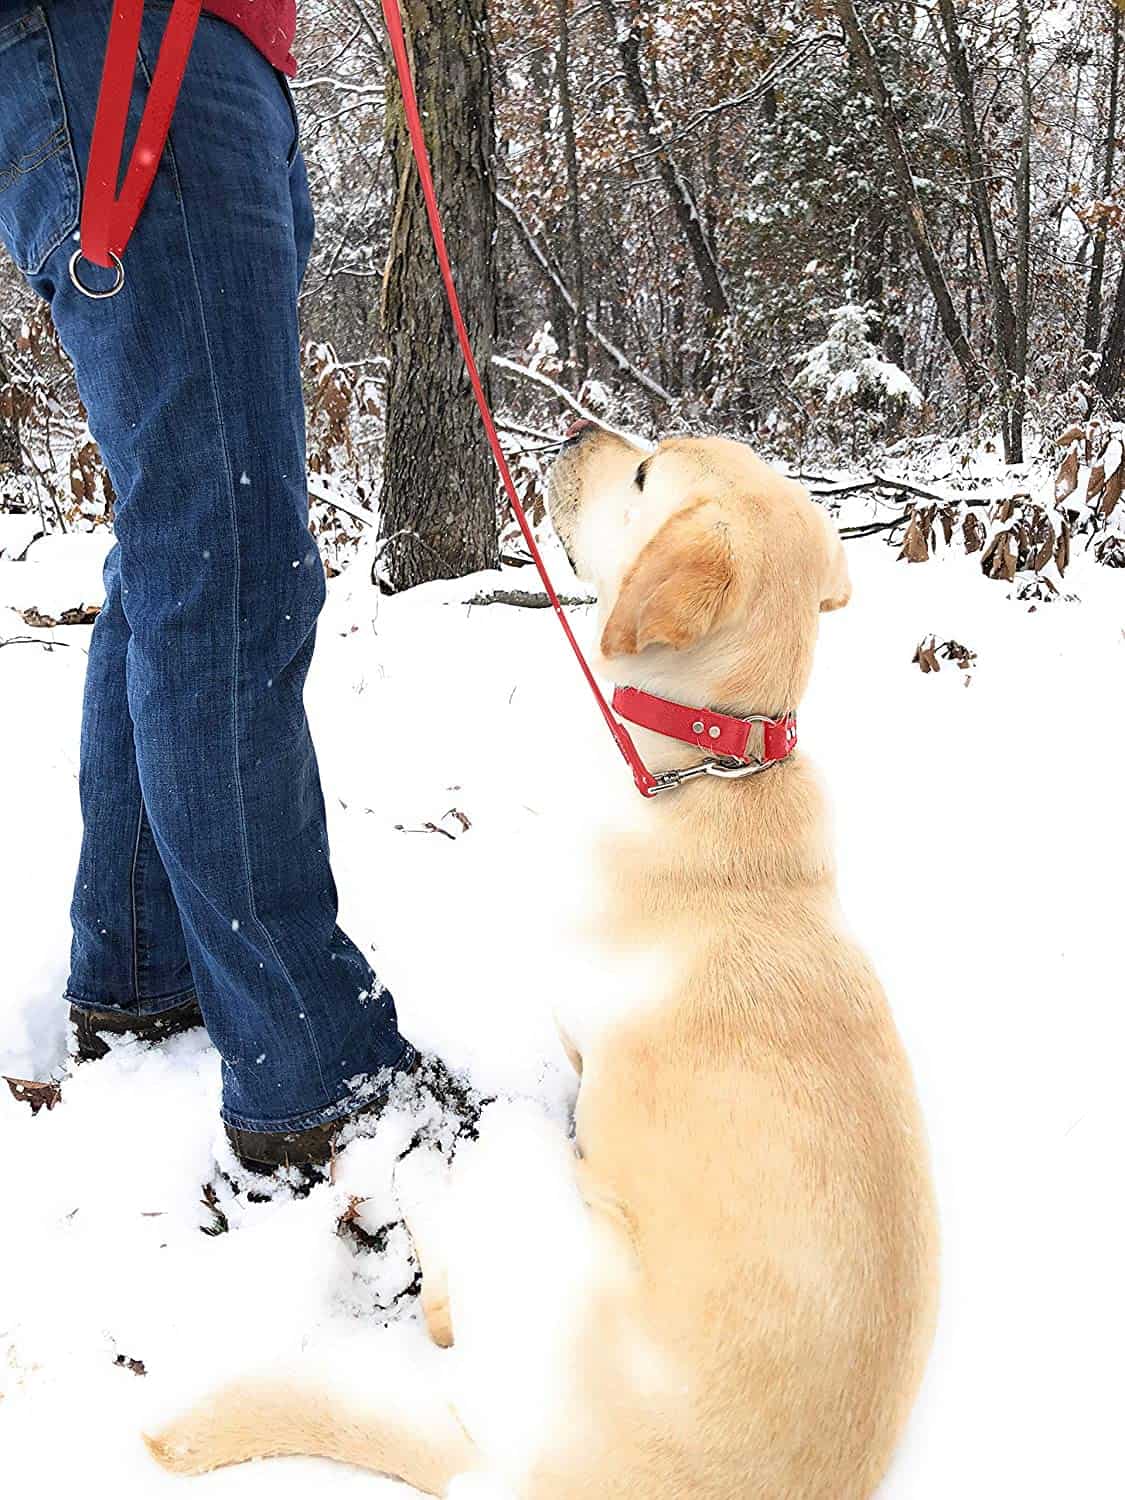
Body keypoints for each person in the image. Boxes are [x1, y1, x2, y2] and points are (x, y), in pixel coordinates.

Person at [0, 0, 420, 1173]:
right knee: (228, 550)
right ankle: (317, 1072)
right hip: (138, 41)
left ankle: (141, 961)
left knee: (184, 535)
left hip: (205, 55)